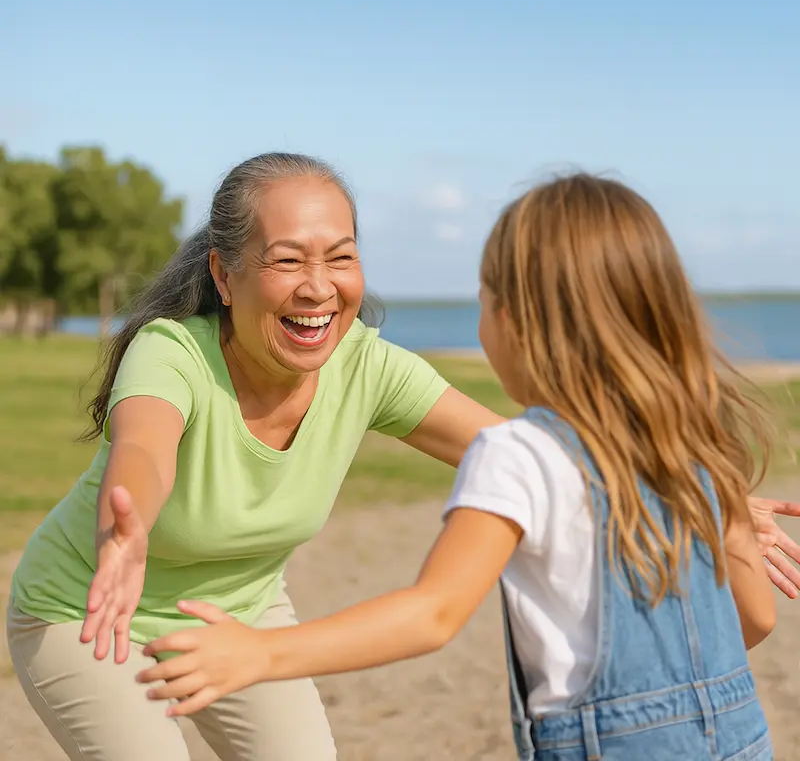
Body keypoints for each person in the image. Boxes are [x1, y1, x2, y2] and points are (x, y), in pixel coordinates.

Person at [138, 172, 791, 760]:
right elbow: (756, 619)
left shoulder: (517, 454)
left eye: (482, 299)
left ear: (514, 319)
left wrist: (262, 651)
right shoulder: (692, 446)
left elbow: (433, 613)